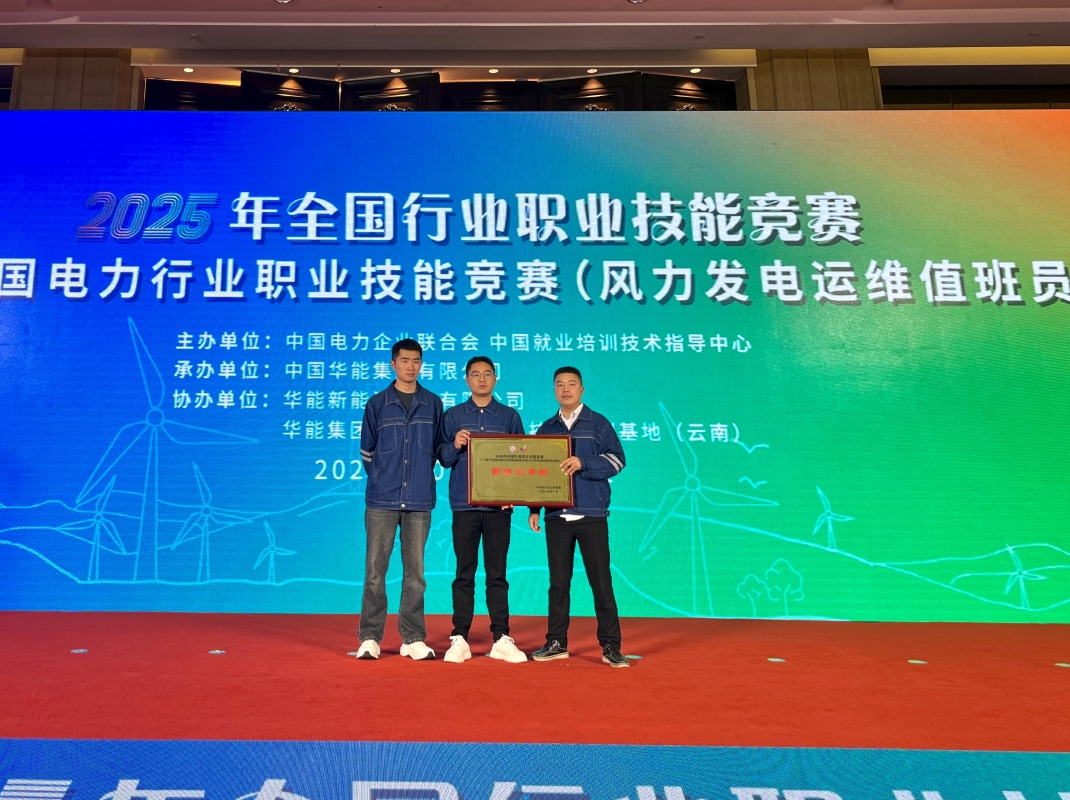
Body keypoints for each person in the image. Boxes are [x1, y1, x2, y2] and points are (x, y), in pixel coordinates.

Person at [528, 366, 630, 668]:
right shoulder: (546, 428)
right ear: (554, 390)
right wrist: (534, 508)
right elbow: (537, 472)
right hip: (556, 516)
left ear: (581, 389)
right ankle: (556, 642)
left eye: (571, 384)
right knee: (558, 584)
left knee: (601, 582)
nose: (565, 389)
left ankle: (611, 646)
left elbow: (617, 460)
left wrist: (583, 462)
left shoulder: (598, 423)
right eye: (560, 384)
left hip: (591, 513)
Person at [354, 338, 445, 661]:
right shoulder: (377, 404)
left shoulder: (433, 403)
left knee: (416, 574)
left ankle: (413, 638)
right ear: (393, 364)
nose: (411, 366)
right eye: (404, 361)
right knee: (374, 572)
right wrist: (385, 477)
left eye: (416, 361)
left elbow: (438, 449)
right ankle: (370, 637)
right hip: (382, 500)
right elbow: (368, 453)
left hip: (419, 500)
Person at [438, 356, 528, 664]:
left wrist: (512, 494)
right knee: (463, 573)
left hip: (498, 509)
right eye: (475, 374)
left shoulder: (509, 416)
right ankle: (459, 637)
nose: (481, 379)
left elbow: (521, 461)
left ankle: (501, 637)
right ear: (466, 380)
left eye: (487, 374)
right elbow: (443, 459)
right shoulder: (452, 416)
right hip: (464, 505)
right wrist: (455, 444)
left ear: (495, 379)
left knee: (497, 573)